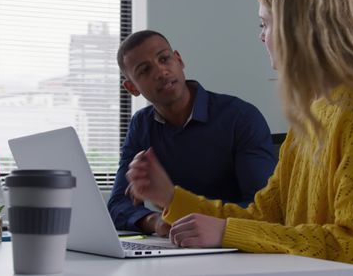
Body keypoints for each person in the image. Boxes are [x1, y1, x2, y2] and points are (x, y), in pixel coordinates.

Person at [125, 0, 353, 276]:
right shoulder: (314, 113)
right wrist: (169, 197)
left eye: (265, 24)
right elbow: (266, 217)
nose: (261, 37)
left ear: (297, 29)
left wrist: (225, 232)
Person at [108, 29, 277, 236]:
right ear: (131, 87)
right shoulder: (141, 125)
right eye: (144, 70)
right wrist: (154, 221)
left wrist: (176, 205)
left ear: (178, 60)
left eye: (164, 59)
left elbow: (264, 210)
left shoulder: (240, 117)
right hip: (179, 247)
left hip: (236, 246)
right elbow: (117, 205)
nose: (161, 72)